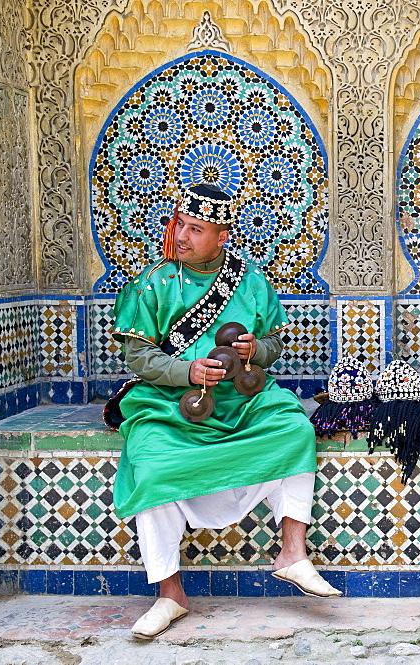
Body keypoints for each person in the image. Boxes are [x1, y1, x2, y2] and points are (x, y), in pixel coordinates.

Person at [108, 183, 340, 640]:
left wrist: (259, 349)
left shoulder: (250, 281)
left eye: (196, 229)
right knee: (149, 462)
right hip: (170, 402)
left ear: (222, 235)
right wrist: (186, 371)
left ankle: (293, 554)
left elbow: (273, 343)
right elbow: (137, 357)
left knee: (295, 429)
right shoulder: (153, 283)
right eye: (180, 226)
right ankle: (170, 594)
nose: (182, 237)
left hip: (243, 400)